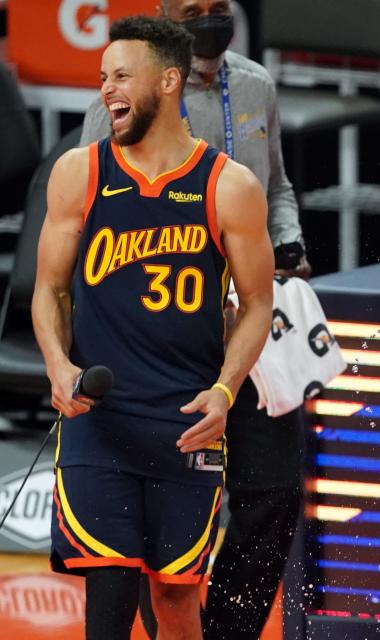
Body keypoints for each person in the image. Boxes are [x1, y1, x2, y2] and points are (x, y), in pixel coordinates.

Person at [33, 16, 274, 640]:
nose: (107, 89)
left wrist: (225, 390)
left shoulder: (229, 185)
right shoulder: (79, 173)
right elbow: (49, 290)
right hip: (99, 419)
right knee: (108, 596)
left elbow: (256, 304)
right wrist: (58, 366)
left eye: (120, 76)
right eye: (101, 78)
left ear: (168, 81)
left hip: (186, 422)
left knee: (173, 602)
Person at [79, 2, 310, 637]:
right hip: (167, 340)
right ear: (164, 19)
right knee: (155, 553)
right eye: (192, 11)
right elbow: (94, 209)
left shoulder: (257, 82)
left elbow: (279, 187)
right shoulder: (120, 97)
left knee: (274, 489)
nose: (209, 19)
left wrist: (287, 242)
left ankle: (227, 633)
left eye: (218, 8)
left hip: (256, 327)